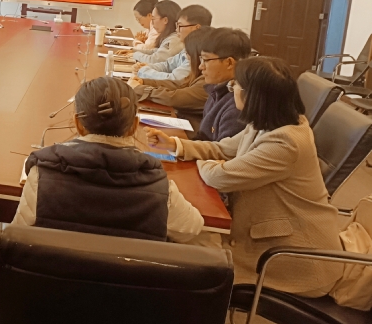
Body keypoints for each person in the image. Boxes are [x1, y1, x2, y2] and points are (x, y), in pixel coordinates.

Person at [147, 57, 343, 296]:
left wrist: (213, 165)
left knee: (182, 242)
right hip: (266, 234)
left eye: (235, 85)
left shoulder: (286, 142)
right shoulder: (266, 123)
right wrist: (175, 144)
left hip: (293, 257)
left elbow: (219, 177)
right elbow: (223, 149)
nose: (232, 90)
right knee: (182, 233)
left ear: (252, 96)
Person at [13, 77, 204, 243]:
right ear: (134, 126)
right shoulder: (160, 187)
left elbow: (17, 236)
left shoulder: (42, 174)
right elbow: (191, 228)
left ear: (78, 124)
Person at [133, 27, 212, 132]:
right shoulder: (198, 73)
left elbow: (174, 98)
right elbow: (178, 84)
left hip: (192, 131)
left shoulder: (207, 81)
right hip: (184, 122)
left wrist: (141, 89)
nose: (177, 29)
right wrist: (144, 82)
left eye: (188, 53)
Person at [189, 27, 251, 143]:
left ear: (229, 63)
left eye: (206, 60)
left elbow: (221, 151)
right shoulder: (217, 89)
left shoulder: (238, 103)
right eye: (201, 59)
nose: (201, 66)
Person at [135, 4, 212, 83]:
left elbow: (175, 80)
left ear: (197, 28)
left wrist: (143, 70)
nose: (177, 30)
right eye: (176, 25)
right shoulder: (187, 48)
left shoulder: (198, 52)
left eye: (180, 26)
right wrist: (147, 67)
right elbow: (167, 65)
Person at [132, 0, 183, 64]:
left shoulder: (174, 40)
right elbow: (155, 51)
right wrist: (132, 51)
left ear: (165, 20)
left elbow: (154, 60)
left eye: (153, 19)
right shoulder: (169, 37)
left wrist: (134, 54)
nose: (152, 23)